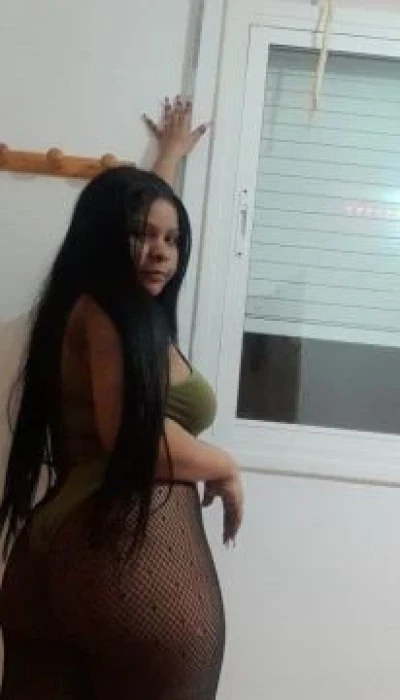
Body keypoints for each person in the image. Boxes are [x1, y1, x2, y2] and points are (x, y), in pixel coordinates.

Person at [0, 96, 244, 699]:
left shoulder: (89, 304)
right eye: (143, 235)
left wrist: (168, 159)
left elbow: (140, 220)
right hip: (118, 559)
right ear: (112, 239)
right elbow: (134, 438)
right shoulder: (111, 309)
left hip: (48, 555)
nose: (161, 250)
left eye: (173, 239)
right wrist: (225, 465)